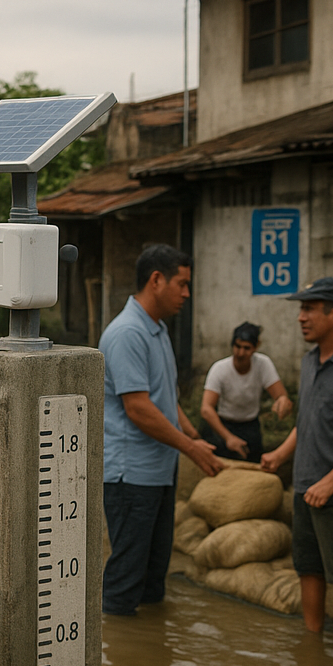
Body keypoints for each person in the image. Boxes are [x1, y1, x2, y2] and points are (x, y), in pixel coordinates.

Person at [99, 243, 222, 616]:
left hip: (158, 472)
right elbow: (138, 408)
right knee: (126, 579)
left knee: (153, 577)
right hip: (131, 476)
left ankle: (152, 641)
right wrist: (191, 448)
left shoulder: (157, 329)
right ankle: (121, 644)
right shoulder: (127, 333)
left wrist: (194, 437)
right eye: (182, 284)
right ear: (156, 280)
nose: (187, 294)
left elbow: (164, 398)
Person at [261, 276, 333, 643]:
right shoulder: (310, 361)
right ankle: (311, 650)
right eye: (301, 309)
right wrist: (280, 454)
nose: (301, 317)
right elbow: (307, 420)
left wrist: (332, 481)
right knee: (309, 570)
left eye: (310, 309)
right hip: (304, 487)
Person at [199, 321, 292, 461]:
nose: (241, 353)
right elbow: (206, 409)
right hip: (223, 425)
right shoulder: (220, 369)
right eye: (237, 347)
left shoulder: (263, 365)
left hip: (250, 426)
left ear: (256, 347)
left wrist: (282, 402)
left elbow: (280, 395)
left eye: (247, 348)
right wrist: (228, 437)